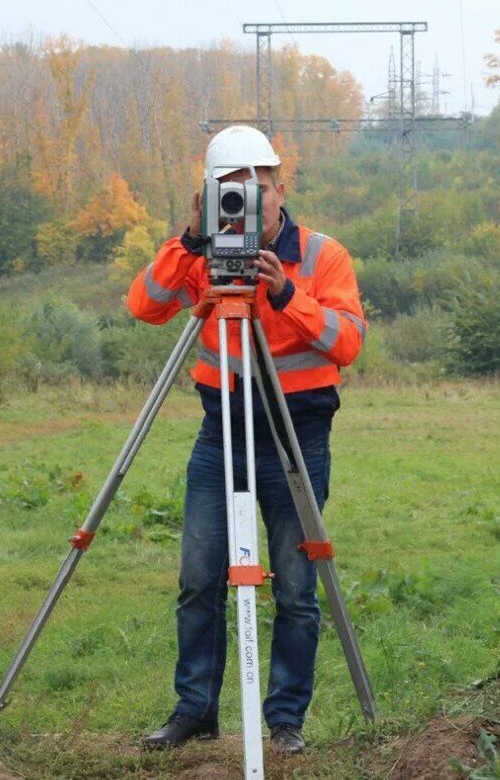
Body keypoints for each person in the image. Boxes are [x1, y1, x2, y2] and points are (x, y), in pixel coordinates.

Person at [126, 126, 367, 755]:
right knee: (198, 578)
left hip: (296, 438)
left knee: (296, 587)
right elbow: (144, 307)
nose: (244, 202)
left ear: (280, 188)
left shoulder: (321, 256)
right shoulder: (199, 253)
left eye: (256, 187)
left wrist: (285, 293)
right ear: (208, 196)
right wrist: (188, 241)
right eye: (229, 191)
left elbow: (347, 342)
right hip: (222, 434)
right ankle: (194, 711)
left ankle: (285, 722)